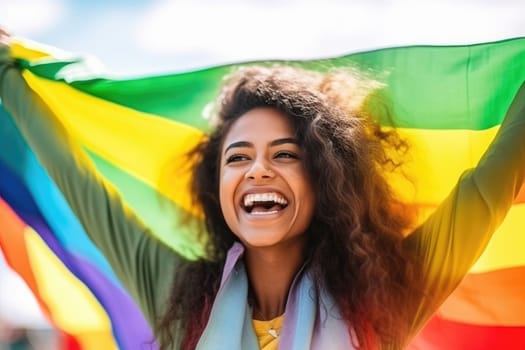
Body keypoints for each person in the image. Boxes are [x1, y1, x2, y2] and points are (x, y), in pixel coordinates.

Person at [1, 28, 524, 350]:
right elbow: (73, 176)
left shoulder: (386, 293)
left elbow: (488, 186)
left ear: (326, 180)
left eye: (285, 155)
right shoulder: (170, 288)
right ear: (218, 186)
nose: (257, 170)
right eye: (238, 157)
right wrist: (7, 74)